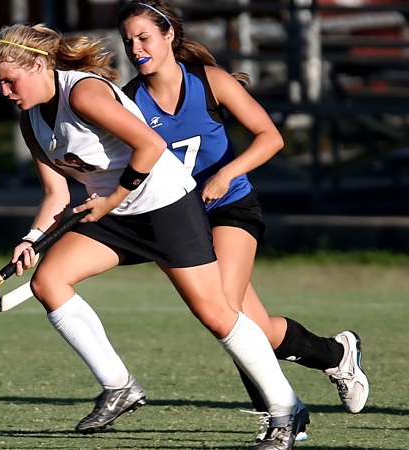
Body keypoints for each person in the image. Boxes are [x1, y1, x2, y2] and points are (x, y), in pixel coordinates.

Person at [0, 22, 309, 450]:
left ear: (41, 64)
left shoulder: (83, 93)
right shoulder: (31, 121)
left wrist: (111, 197)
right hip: (115, 213)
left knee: (216, 313)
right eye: (0, 83)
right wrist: (32, 238)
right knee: (49, 281)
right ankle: (119, 386)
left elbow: (151, 145)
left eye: (11, 80)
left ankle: (288, 408)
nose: (6, 91)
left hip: (165, 205)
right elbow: (55, 193)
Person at [116, 0, 369, 441]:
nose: (136, 47)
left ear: (169, 35)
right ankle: (334, 353)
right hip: (180, 219)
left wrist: (227, 172)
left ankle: (283, 414)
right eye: (128, 40)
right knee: (256, 329)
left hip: (231, 206)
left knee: (225, 308)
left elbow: (270, 136)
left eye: (144, 37)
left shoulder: (209, 82)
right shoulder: (129, 101)